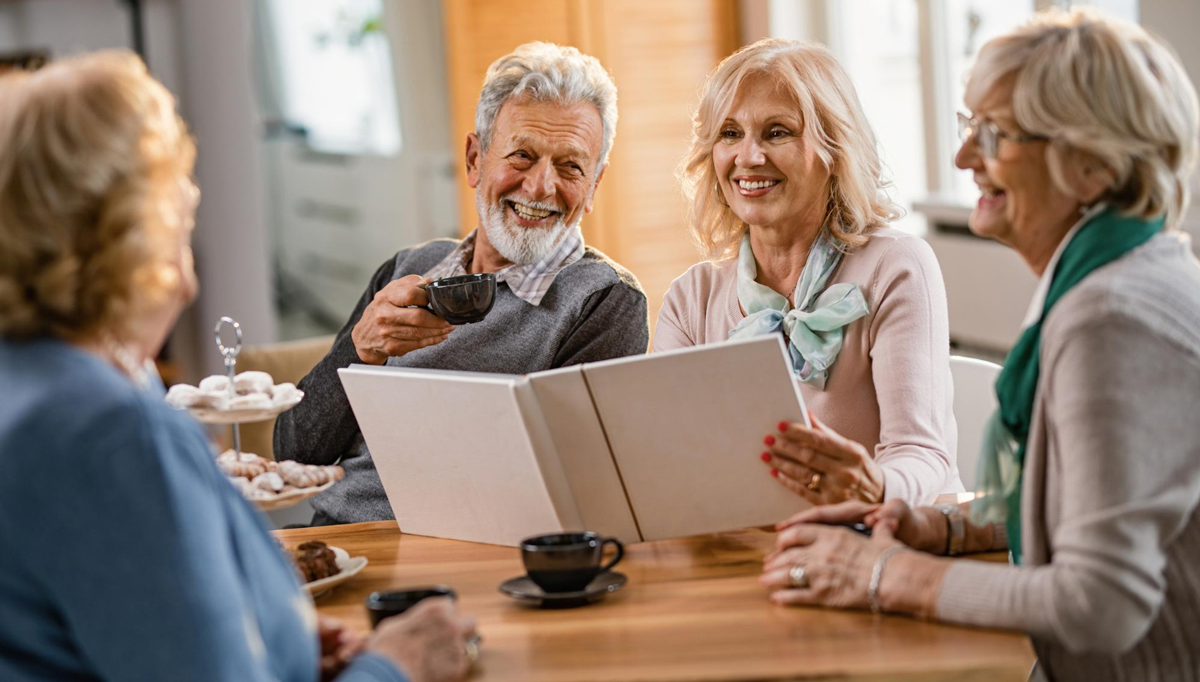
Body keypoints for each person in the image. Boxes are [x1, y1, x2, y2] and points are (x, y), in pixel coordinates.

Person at [0, 51, 476, 682]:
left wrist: (280, 644)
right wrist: (394, 667)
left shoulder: (32, 378)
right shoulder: (113, 433)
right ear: (136, 232)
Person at [763, 9, 1200, 681]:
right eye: (969, 128)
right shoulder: (1117, 274)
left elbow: (1102, 603)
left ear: (1090, 164)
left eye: (993, 134)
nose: (963, 157)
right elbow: (1086, 505)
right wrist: (941, 528)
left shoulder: (1110, 317)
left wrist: (884, 574)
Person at [274, 42, 649, 526]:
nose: (540, 187)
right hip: (336, 543)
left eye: (571, 166)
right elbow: (295, 454)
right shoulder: (407, 268)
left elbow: (576, 493)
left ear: (595, 185)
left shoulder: (603, 300)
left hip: (460, 558)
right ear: (475, 160)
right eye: (522, 156)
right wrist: (359, 350)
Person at [657, 39, 961, 507]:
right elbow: (669, 458)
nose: (748, 157)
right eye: (730, 134)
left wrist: (869, 486)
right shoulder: (689, 298)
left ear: (835, 149)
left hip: (887, 539)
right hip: (749, 543)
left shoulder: (896, 267)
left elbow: (920, 454)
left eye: (777, 132)